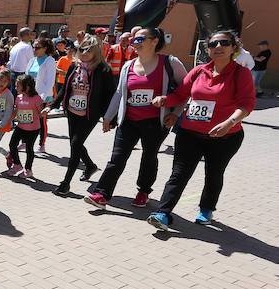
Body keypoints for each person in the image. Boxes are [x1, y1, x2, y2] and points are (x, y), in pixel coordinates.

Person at [147, 30, 255, 229]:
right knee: (179, 173)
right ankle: (162, 213)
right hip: (190, 133)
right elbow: (180, 95)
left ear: (234, 47)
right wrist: (164, 100)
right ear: (207, 49)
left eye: (224, 43)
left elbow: (247, 104)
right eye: (213, 44)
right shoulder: (199, 71)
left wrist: (229, 122)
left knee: (213, 173)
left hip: (225, 136)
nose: (218, 47)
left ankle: (206, 210)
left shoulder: (241, 73)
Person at [84, 27, 188, 211]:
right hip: (129, 121)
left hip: (156, 122)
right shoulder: (128, 66)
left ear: (155, 40)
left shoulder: (170, 63)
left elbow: (185, 90)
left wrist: (176, 113)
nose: (135, 43)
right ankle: (101, 194)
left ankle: (144, 191)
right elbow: (119, 93)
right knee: (116, 158)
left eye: (140, 39)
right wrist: (108, 116)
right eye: (133, 40)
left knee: (149, 157)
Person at [43, 35, 116, 197]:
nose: (83, 52)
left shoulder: (104, 69)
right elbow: (64, 88)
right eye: (81, 49)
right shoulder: (74, 66)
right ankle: (90, 166)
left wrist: (111, 118)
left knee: (75, 145)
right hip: (72, 112)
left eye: (88, 50)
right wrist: (52, 106)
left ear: (96, 52)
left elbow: (111, 95)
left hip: (89, 114)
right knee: (75, 144)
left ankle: (65, 183)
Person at [5, 74, 43, 178]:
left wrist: (42, 113)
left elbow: (41, 113)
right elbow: (15, 112)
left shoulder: (36, 98)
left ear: (27, 87)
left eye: (18, 86)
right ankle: (17, 165)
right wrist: (8, 121)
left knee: (29, 149)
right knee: (12, 145)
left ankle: (28, 170)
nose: (16, 88)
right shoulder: (18, 98)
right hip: (20, 127)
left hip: (33, 129)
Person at [26, 37, 56, 153]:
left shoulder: (49, 61)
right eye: (33, 47)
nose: (34, 50)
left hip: (43, 97)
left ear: (45, 48)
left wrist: (41, 97)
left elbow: (50, 81)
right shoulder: (32, 60)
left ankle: (41, 144)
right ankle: (26, 142)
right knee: (28, 119)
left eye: (37, 48)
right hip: (30, 96)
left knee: (41, 121)